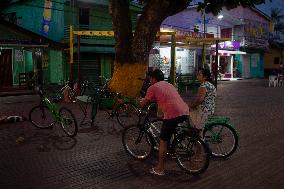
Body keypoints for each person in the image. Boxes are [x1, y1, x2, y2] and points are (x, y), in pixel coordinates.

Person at [138, 69, 189, 176]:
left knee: (163, 140)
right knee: (170, 131)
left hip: (172, 114)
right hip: (184, 111)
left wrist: (140, 101)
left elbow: (143, 104)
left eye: (150, 78)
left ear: (154, 78)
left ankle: (160, 168)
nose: (149, 80)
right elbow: (166, 98)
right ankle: (173, 146)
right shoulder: (169, 84)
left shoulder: (153, 87)